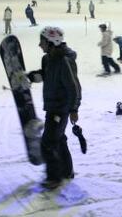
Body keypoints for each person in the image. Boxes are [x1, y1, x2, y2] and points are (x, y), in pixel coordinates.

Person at [27, 27, 81, 189]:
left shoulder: (64, 61)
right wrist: (30, 77)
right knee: (58, 139)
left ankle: (54, 177)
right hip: (52, 106)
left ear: (51, 42)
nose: (39, 45)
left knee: (48, 142)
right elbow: (45, 74)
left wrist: (74, 109)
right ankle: (66, 171)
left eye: (42, 41)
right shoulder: (48, 59)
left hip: (61, 108)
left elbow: (74, 87)